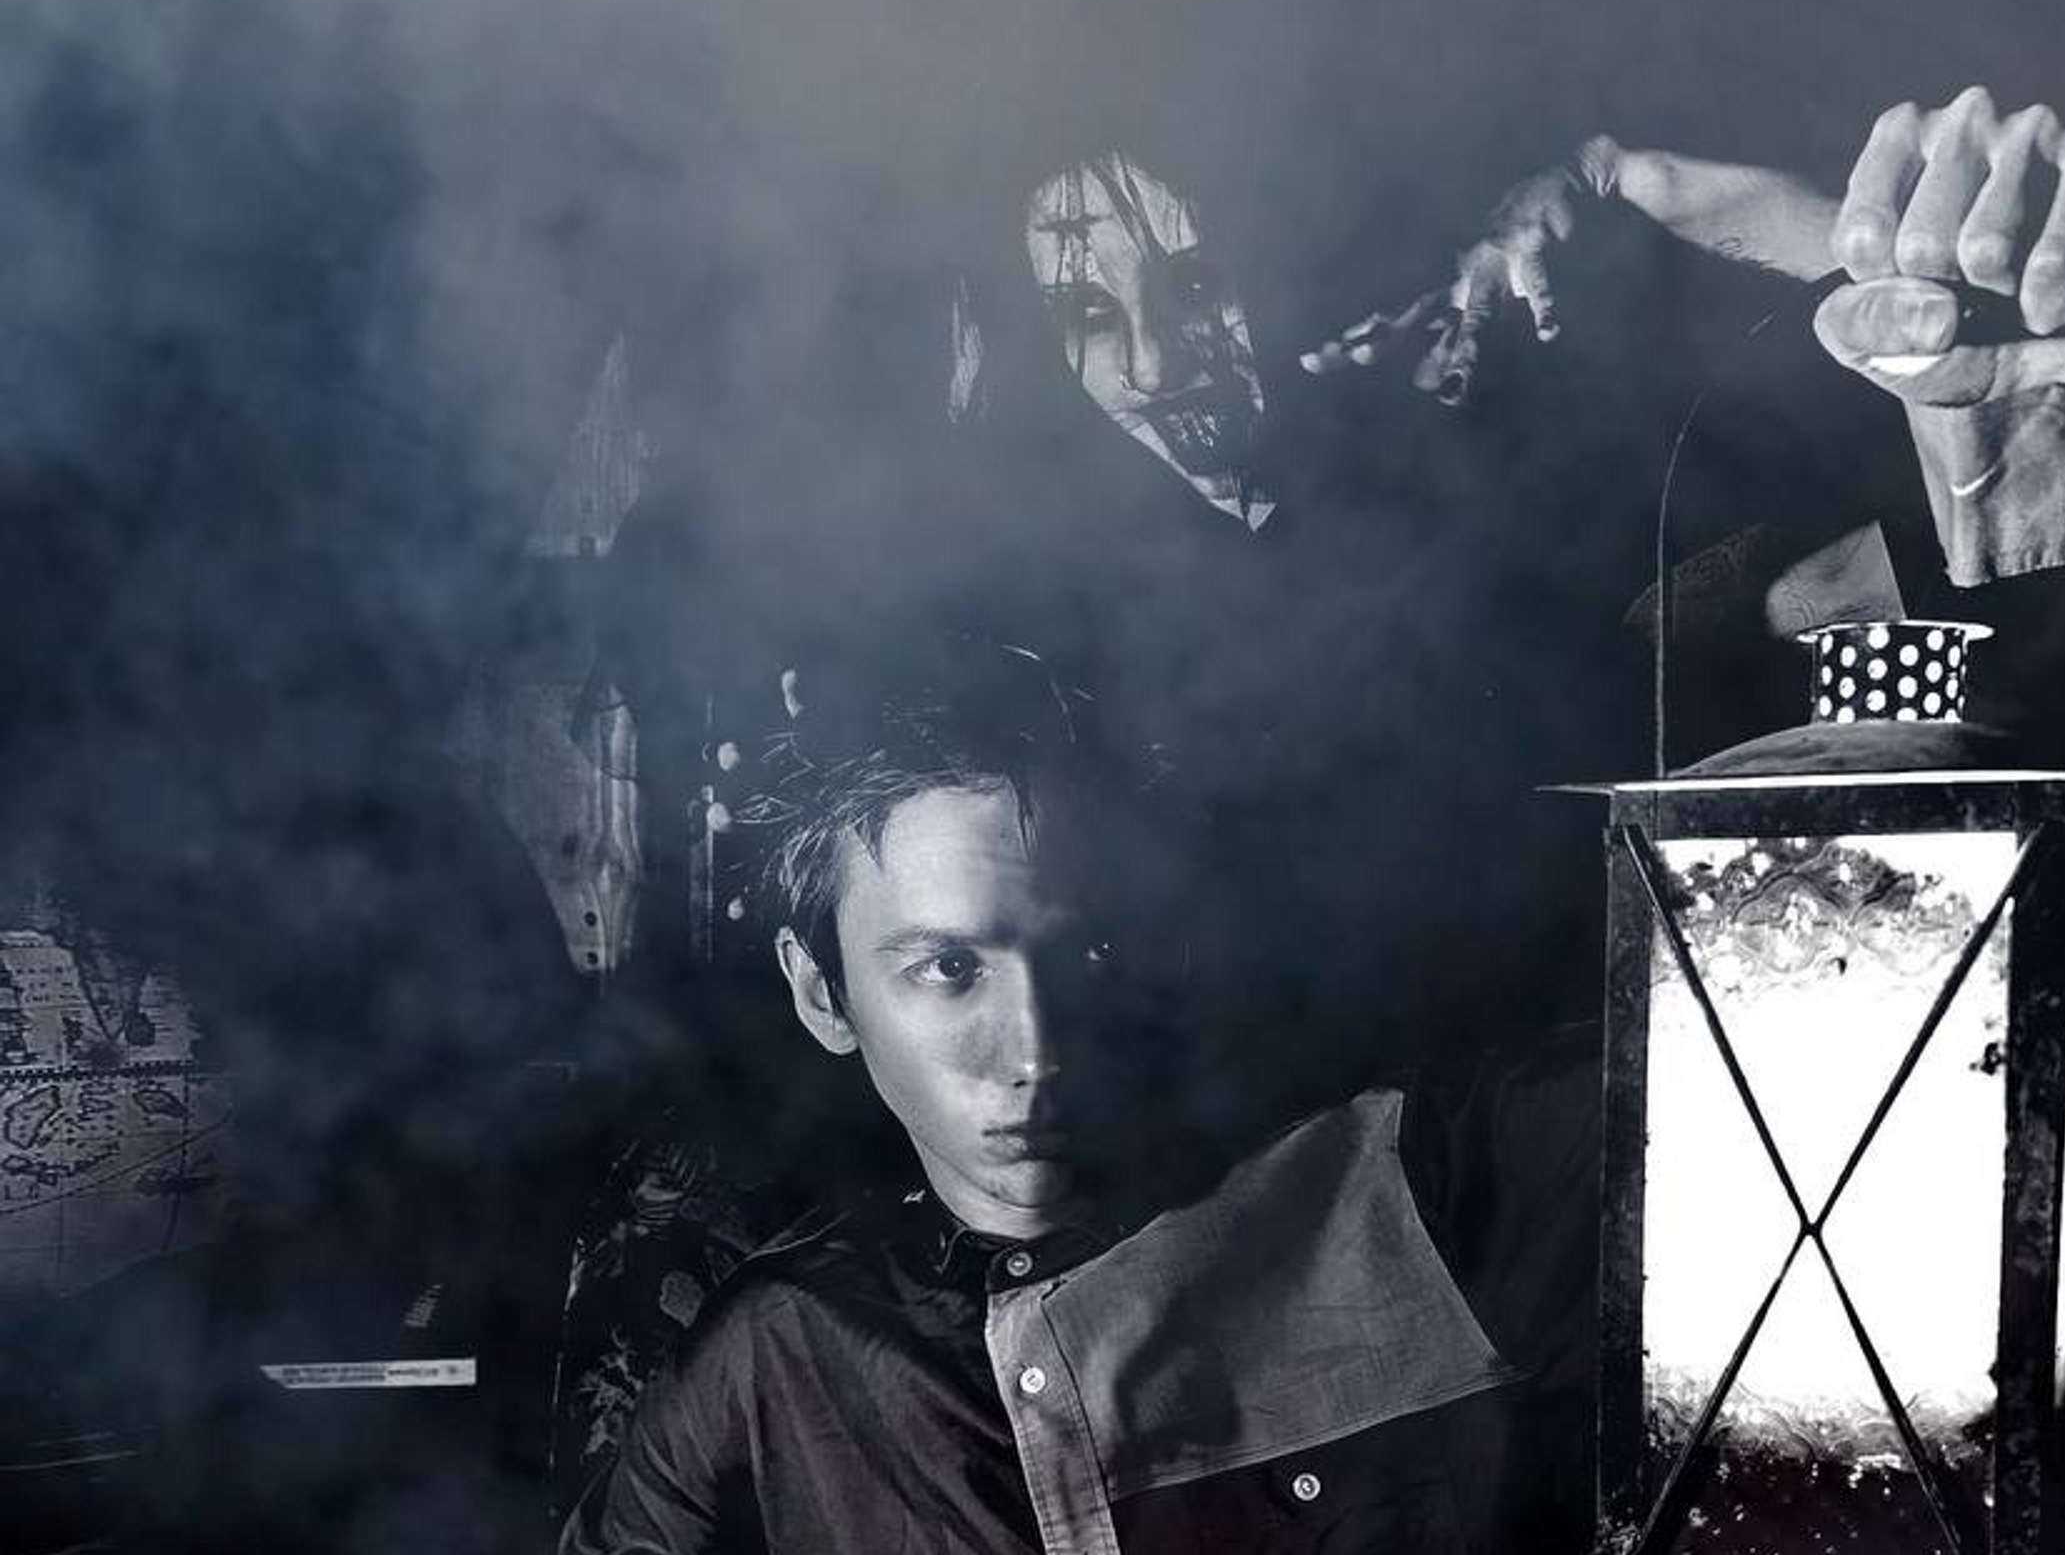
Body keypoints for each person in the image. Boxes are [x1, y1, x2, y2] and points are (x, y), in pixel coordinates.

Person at [560, 637, 1608, 1555]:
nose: (1038, 1046)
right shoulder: (774, 1353)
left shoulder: (1413, 1179)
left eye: (1085, 955)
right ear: (821, 994)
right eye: (948, 969)